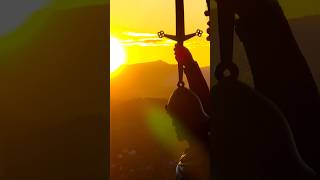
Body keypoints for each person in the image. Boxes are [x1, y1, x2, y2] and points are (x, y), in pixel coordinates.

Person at [166, 85, 210, 180]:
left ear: (187, 121)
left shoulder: (199, 162)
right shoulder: (192, 156)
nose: (173, 124)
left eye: (176, 120)